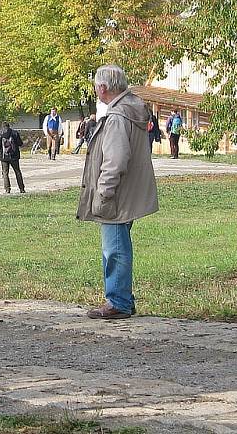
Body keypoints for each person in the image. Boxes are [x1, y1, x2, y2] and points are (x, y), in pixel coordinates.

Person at [78, 65, 158, 320]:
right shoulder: (130, 109)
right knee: (118, 245)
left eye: (95, 87)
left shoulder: (117, 117)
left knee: (114, 248)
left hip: (117, 195)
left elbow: (115, 160)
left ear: (103, 88)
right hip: (128, 192)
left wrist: (104, 193)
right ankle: (123, 298)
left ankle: (118, 302)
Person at [0, 122, 25, 194]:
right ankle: (21, 188)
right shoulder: (14, 133)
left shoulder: (0, 134)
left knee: (5, 172)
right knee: (17, 172)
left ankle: (7, 189)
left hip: (4, 156)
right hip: (14, 156)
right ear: (9, 126)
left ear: (2, 126)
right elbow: (20, 143)